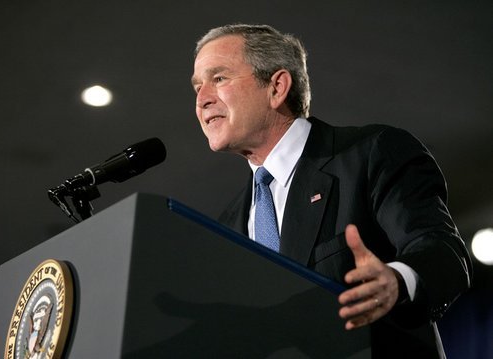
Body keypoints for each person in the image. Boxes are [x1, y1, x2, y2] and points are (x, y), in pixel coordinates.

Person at [191, 24, 471, 357]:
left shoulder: (372, 152)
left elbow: (441, 250)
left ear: (277, 87)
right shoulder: (226, 224)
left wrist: (396, 282)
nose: (202, 99)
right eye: (197, 86)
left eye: (219, 78)